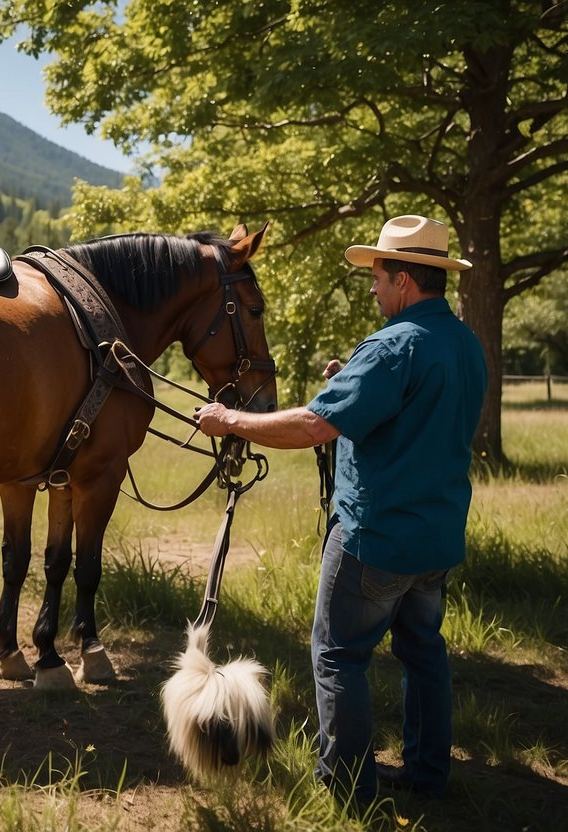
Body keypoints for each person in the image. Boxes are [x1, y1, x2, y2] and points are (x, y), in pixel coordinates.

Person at [195, 215, 487, 807]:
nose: (374, 288)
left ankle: (348, 790)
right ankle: (429, 774)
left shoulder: (391, 346)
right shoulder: (463, 343)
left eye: (378, 277)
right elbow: (413, 414)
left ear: (403, 280)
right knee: (424, 654)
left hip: (375, 538)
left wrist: (231, 421)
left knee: (337, 656)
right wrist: (349, 380)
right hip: (436, 538)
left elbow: (311, 425)